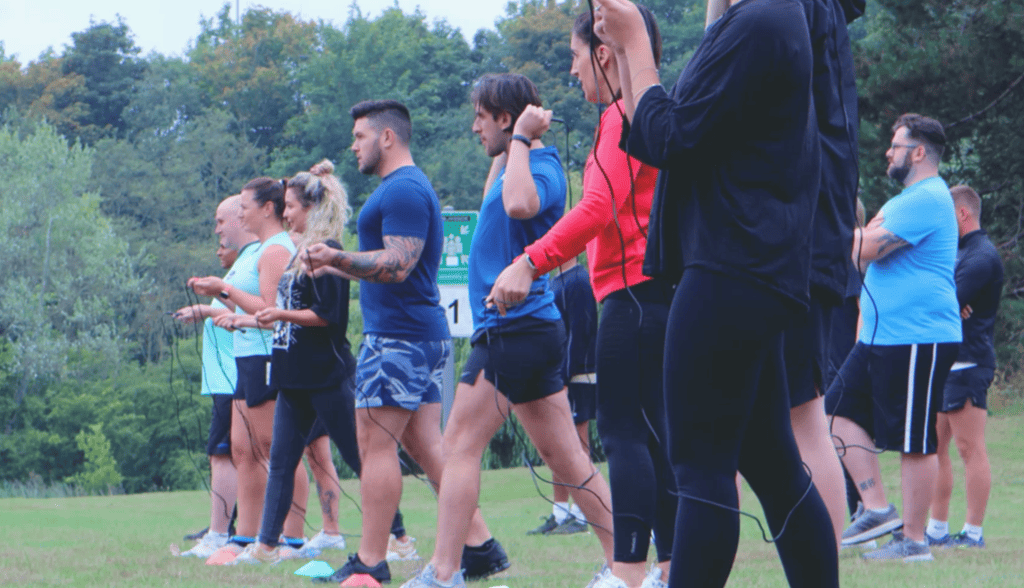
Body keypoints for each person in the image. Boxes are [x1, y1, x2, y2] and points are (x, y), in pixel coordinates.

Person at [596, 1, 838, 586]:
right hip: (753, 269)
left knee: (699, 470)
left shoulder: (761, 21)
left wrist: (635, 45)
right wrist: (630, 50)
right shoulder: (767, 20)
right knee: (773, 465)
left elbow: (672, 134)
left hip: (728, 268)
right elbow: (654, 133)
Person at [401, 73, 615, 588]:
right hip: (525, 331)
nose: (475, 127)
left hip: (514, 330)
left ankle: (445, 572)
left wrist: (520, 136)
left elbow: (520, 206)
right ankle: (625, 561)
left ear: (506, 119)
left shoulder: (543, 168)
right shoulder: (511, 163)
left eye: (482, 116)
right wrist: (508, 141)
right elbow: (494, 205)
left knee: (457, 448)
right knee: (567, 457)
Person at [489, 11, 675, 588]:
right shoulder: (653, 112)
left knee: (624, 435)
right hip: (661, 293)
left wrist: (529, 260)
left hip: (633, 296)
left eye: (574, 57)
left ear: (603, 53)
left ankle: (626, 574)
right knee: (655, 436)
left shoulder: (622, 117)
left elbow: (598, 209)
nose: (571, 72)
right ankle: (668, 568)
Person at [303, 100, 505, 585]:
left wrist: (335, 257)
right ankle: (480, 547)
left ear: (387, 138)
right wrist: (336, 259)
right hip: (415, 336)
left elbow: (398, 264)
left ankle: (371, 562)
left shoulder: (404, 191)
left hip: (399, 338)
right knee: (427, 448)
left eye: (359, 137)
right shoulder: (399, 190)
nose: (353, 146)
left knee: (374, 444)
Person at [826, 113, 961, 562]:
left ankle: (915, 542)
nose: (888, 151)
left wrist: (846, 231)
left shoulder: (927, 197)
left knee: (913, 439)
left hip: (918, 336)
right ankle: (878, 507)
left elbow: (861, 247)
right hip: (882, 337)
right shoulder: (908, 199)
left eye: (896, 144)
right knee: (836, 410)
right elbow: (863, 240)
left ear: (918, 152)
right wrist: (858, 234)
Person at [775, 0, 864, 550]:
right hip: (808, 239)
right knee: (797, 414)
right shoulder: (819, 19)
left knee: (806, 414)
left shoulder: (798, 16)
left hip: (796, 245)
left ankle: (827, 548)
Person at [189, 178, 309, 564]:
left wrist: (221, 291)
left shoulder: (275, 250)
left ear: (267, 209)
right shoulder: (258, 251)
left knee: (276, 449)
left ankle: (291, 538)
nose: (239, 214)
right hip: (246, 357)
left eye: (244, 207)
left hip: (266, 357)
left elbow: (272, 312)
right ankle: (246, 537)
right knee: (244, 450)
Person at [172, 196, 254, 558]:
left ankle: (221, 533)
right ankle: (231, 528)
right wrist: (207, 308)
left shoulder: (256, 260)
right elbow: (234, 308)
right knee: (233, 452)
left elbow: (259, 310)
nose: (217, 230)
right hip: (227, 375)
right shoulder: (241, 268)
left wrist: (217, 293)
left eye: (221, 222)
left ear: (243, 216)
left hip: (235, 373)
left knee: (223, 453)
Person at [926, 185, 1003, 549]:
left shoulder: (981, 256)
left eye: (945, 214)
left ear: (962, 214)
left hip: (970, 362)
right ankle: (936, 530)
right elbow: (936, 296)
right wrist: (944, 300)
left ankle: (972, 533)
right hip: (946, 363)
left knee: (970, 448)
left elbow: (944, 301)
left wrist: (946, 302)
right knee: (933, 448)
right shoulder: (957, 253)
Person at [526, 257, 598, 538]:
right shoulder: (555, 282)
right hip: (558, 375)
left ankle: (582, 514)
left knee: (577, 443)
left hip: (577, 374)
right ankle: (560, 513)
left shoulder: (579, 281)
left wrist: (565, 376)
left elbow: (581, 332)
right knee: (557, 442)